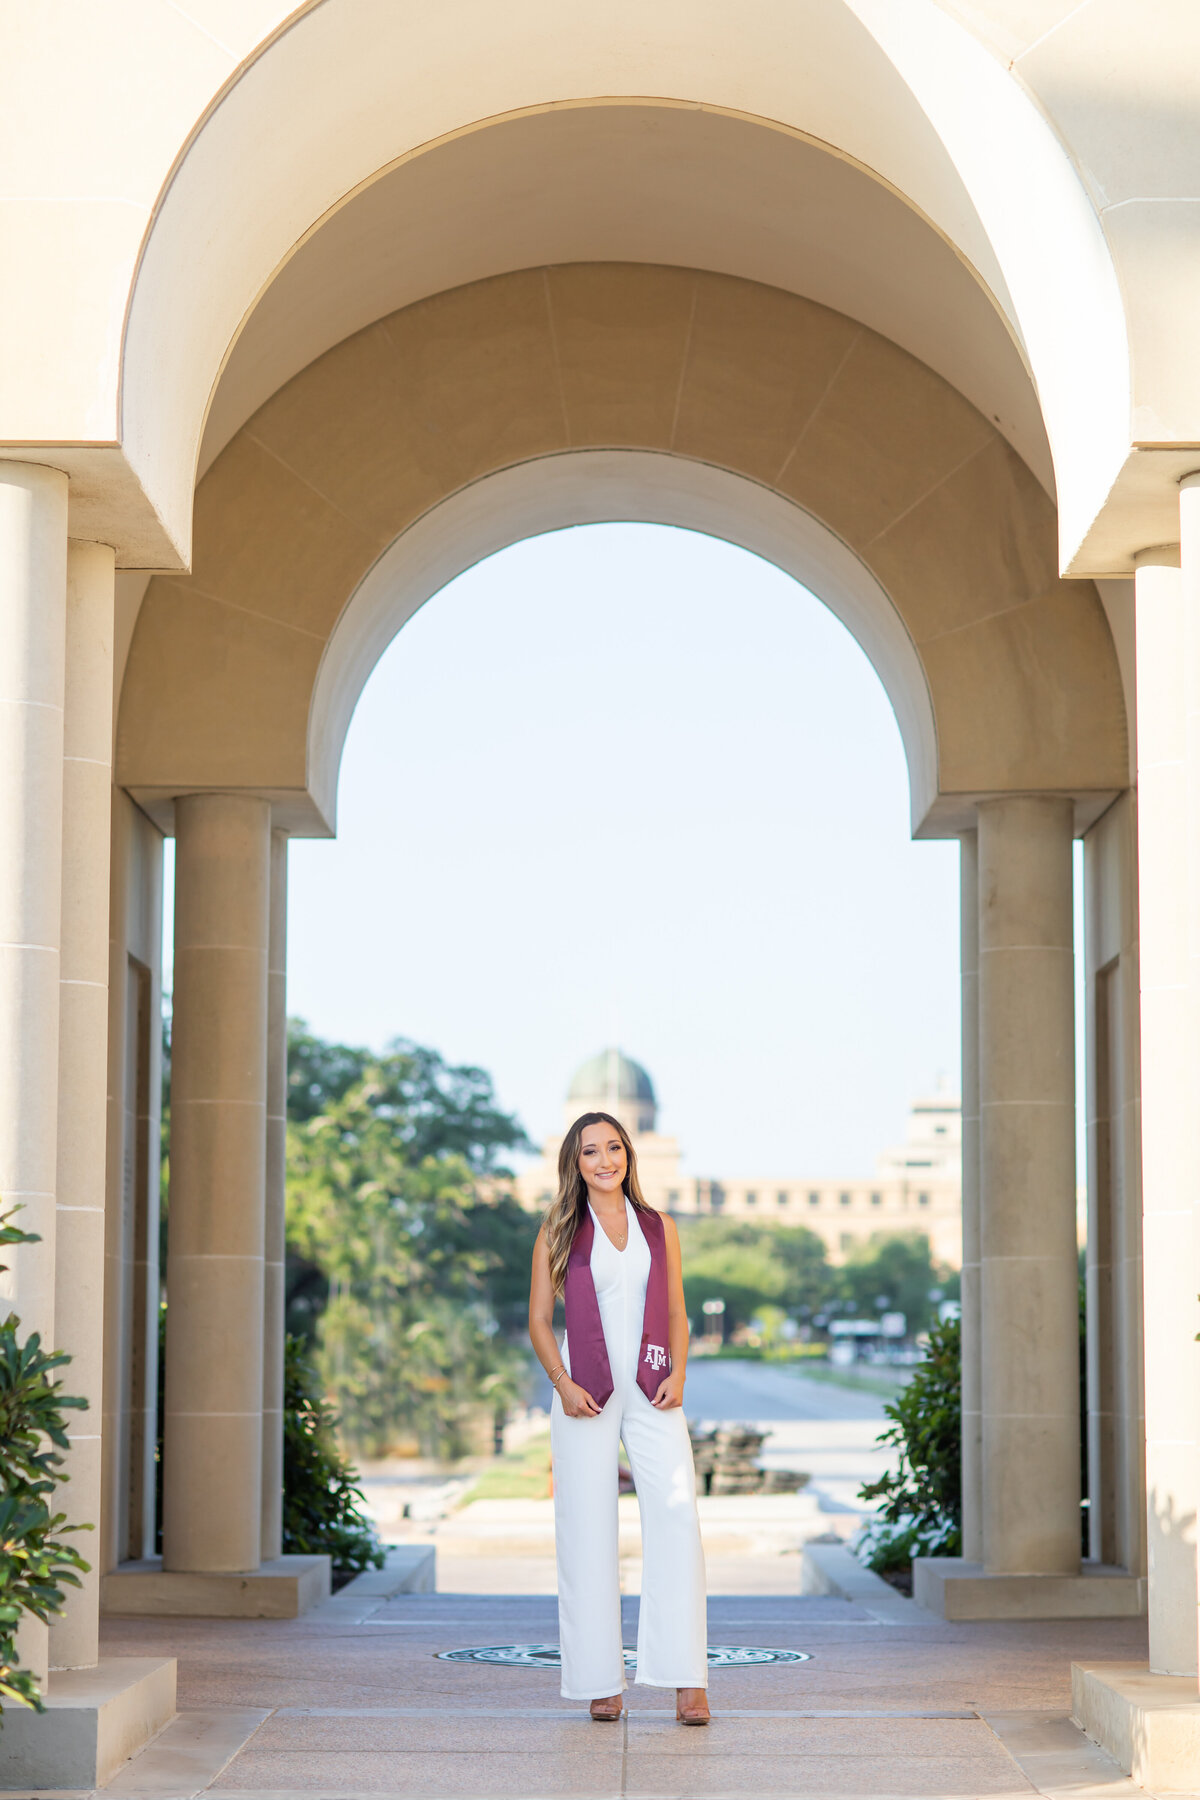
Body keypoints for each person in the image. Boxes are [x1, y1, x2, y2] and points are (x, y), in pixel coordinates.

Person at [528, 1110, 710, 1724]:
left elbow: (678, 1312)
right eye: (589, 1152)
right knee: (586, 1528)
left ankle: (686, 1676)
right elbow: (538, 1321)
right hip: (587, 1393)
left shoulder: (659, 1227)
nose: (604, 1161)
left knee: (678, 1516)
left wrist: (679, 1373)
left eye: (613, 1148)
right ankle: (599, 1679)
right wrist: (562, 1384)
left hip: (654, 1386)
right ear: (574, 1164)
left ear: (629, 1154)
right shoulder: (558, 1227)